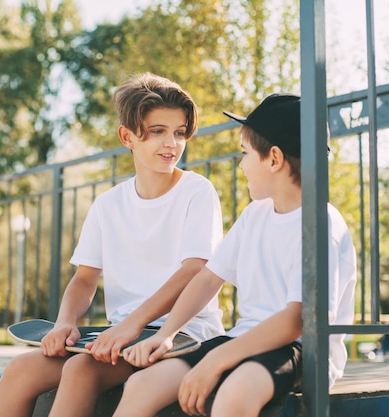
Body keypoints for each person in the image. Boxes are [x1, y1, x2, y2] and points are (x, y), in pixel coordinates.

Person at [0, 72, 225, 417]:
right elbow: (84, 278)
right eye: (157, 131)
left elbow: (195, 268)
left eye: (179, 132)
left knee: (81, 369)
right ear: (127, 136)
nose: (171, 143)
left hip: (183, 334)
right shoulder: (108, 204)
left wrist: (134, 324)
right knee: (21, 369)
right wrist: (65, 321)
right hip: (122, 336)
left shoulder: (197, 192)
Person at [112, 94, 358, 417]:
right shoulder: (255, 214)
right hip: (242, 340)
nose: (241, 165)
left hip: (301, 351)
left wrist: (216, 360)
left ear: (273, 159)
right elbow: (209, 277)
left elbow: (297, 321)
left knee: (235, 394)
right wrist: (166, 334)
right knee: (142, 386)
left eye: (245, 154)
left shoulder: (320, 223)